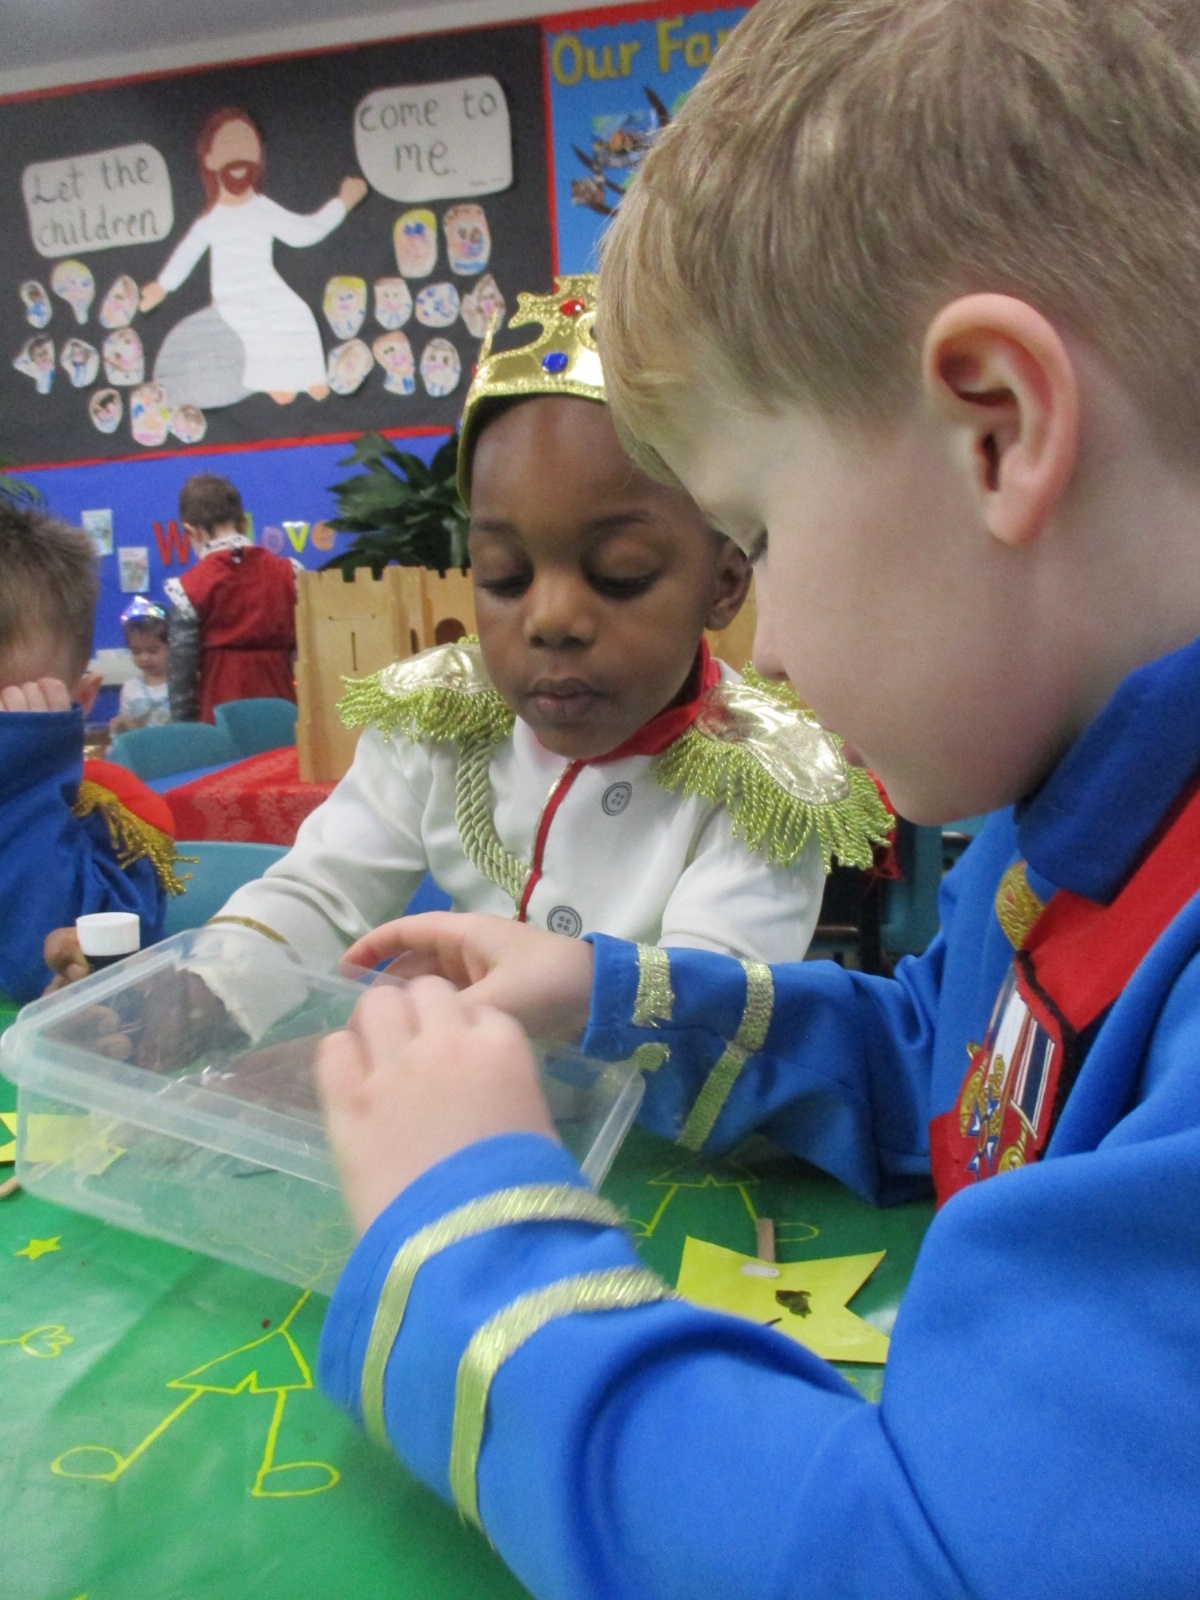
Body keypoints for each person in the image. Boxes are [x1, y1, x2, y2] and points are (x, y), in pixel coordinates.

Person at [311, 4, 1200, 1597]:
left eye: (762, 535)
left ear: (996, 428)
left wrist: (472, 1242)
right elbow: (942, 1063)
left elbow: (928, 1571)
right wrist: (605, 996)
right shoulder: (1070, 813)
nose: (764, 637)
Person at [205, 275, 890, 1003]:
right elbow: (318, 891)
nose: (551, 618)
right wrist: (209, 987)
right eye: (504, 576)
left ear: (723, 582)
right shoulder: (441, 722)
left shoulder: (764, 785)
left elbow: (703, 1005)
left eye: (621, 574)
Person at [0, 508, 181, 1003]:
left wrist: (24, 782)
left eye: (13, 712)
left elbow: (42, 973)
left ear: (79, 702)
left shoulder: (114, 820)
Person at [140, 107, 367, 408]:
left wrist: (342, 204)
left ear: (259, 156)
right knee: (252, 329)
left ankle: (307, 377)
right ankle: (272, 381)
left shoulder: (262, 209)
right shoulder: (212, 220)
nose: (239, 155)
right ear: (210, 159)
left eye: (247, 146)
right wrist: (162, 286)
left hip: (265, 284)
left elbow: (304, 232)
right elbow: (186, 254)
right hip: (231, 295)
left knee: (297, 312)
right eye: (228, 146)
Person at [165, 473, 297, 724]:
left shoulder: (189, 588)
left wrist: (187, 728)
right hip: (282, 708)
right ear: (244, 524)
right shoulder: (289, 573)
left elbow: (181, 678)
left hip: (221, 714)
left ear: (191, 531)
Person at [110, 597, 171, 733]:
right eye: (136, 651)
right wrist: (121, 726)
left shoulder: (181, 686)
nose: (144, 658)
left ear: (171, 647)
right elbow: (124, 732)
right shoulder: (130, 688)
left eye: (153, 651)